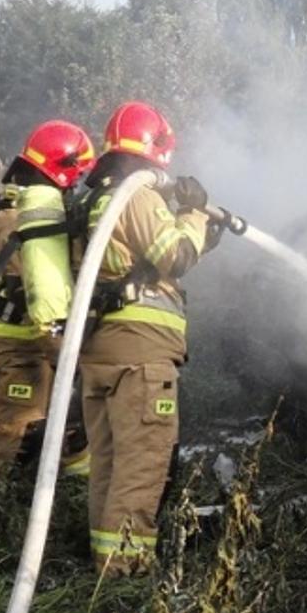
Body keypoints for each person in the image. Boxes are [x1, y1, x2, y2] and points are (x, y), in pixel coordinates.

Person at [73, 101, 222, 574]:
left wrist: (203, 228)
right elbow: (174, 255)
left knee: (110, 464)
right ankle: (124, 575)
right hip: (139, 355)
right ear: (152, 148)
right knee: (142, 465)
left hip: (104, 353)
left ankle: (104, 558)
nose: (167, 164)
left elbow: (147, 258)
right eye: (165, 152)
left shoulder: (96, 195)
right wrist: (194, 215)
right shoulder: (135, 195)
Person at [0, 120, 95, 475]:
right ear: (61, 170)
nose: (76, 184)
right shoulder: (16, 218)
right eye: (75, 175)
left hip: (35, 338)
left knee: (69, 426)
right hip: (18, 343)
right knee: (18, 435)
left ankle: (66, 505)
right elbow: (39, 287)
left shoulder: (21, 209)